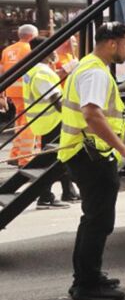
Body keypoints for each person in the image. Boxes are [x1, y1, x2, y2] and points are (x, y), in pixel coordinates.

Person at [59, 22, 125, 300]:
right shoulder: (96, 73)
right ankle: (87, 284)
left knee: (92, 219)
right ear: (112, 44)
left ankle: (86, 277)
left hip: (83, 153)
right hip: (92, 156)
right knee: (99, 221)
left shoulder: (86, 66)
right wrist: (123, 149)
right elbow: (92, 115)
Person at [22, 47, 69, 208]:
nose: (56, 53)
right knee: (51, 160)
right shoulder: (43, 72)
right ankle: (45, 195)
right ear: (46, 52)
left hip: (43, 120)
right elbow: (56, 99)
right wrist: (74, 116)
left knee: (57, 157)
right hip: (53, 120)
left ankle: (67, 190)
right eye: (53, 50)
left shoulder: (33, 69)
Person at [3, 23, 39, 163]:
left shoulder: (7, 50)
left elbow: (2, 70)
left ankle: (15, 154)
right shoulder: (29, 48)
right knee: (28, 124)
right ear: (31, 36)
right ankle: (24, 158)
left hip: (12, 90)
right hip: (26, 91)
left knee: (19, 121)